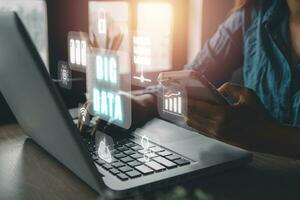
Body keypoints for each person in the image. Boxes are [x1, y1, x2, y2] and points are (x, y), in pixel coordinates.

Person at [83, 0, 300, 158]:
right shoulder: (253, 13)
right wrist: (144, 101)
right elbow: (195, 74)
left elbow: (265, 136)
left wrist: (268, 135)